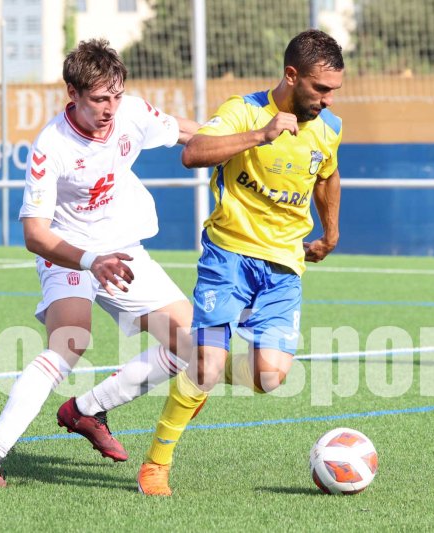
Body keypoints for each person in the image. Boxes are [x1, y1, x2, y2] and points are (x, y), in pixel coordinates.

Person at [0, 39, 203, 487]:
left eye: (116, 95)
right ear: (72, 93)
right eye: (98, 99)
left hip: (123, 249)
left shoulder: (130, 112)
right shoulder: (50, 145)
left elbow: (187, 132)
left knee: (196, 347)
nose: (110, 108)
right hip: (69, 251)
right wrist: (92, 261)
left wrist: (244, 141)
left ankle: (87, 409)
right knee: (70, 341)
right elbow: (35, 234)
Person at [137, 29, 345, 496]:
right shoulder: (243, 111)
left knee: (270, 377)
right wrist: (261, 134)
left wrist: (330, 233)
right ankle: (155, 465)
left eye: (334, 90)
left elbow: (328, 175)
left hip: (283, 268)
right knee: (209, 366)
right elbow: (193, 153)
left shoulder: (329, 128)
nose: (328, 100)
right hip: (227, 257)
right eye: (321, 89)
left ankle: (200, 373)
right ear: (292, 76)